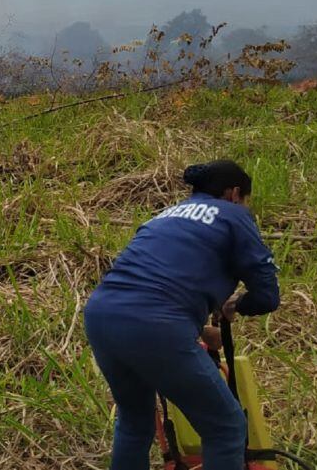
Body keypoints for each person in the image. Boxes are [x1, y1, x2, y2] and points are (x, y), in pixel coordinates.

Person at [84, 160, 279, 470]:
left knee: (135, 422)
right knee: (225, 426)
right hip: (156, 325)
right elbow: (268, 296)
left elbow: (158, 280)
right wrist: (237, 305)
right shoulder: (234, 214)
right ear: (234, 193)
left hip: (102, 315)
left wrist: (201, 329)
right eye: (245, 199)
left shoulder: (162, 217)